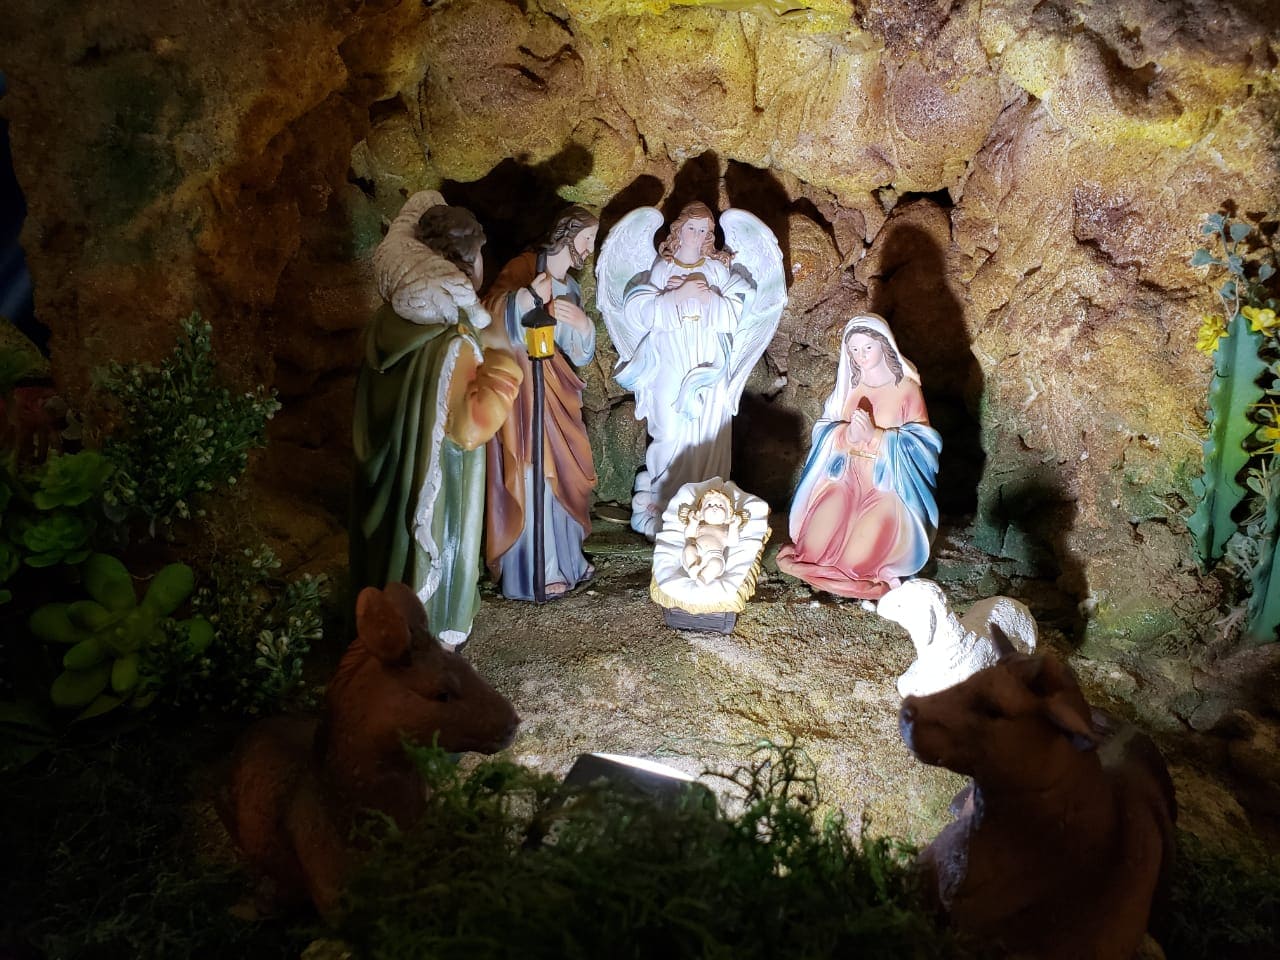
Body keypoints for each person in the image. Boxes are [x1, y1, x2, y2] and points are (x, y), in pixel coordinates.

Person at [349, 192, 522, 648]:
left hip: (390, 479)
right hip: (438, 483)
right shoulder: (452, 341)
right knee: (429, 549)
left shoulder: (390, 319)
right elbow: (470, 428)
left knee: (390, 547)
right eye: (480, 254)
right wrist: (503, 361)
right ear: (464, 262)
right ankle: (432, 629)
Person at [776, 313, 941, 600]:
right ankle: (823, 572)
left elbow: (925, 444)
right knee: (813, 548)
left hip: (885, 487)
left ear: (884, 345)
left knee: (858, 561)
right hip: (846, 480)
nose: (861, 355)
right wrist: (846, 435)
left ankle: (866, 574)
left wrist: (876, 437)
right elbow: (825, 429)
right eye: (854, 349)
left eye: (867, 348)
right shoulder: (848, 388)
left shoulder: (907, 390)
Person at [614, 202, 754, 537]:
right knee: (669, 426)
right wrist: (677, 297)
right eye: (692, 228)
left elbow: (738, 311)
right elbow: (641, 312)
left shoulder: (716, 270)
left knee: (707, 429)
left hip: (708, 357)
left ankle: (705, 504)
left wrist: (709, 300)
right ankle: (664, 496)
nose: (697, 235)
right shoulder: (662, 268)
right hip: (670, 352)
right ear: (679, 229)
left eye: (704, 230)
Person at [480, 207, 599, 599]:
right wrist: (529, 297)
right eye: (587, 239)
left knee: (567, 469)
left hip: (556, 389)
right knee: (535, 471)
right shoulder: (523, 267)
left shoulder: (572, 288)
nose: (589, 248)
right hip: (524, 393)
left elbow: (578, 353)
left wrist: (582, 326)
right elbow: (489, 314)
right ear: (568, 233)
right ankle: (539, 568)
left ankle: (568, 558)